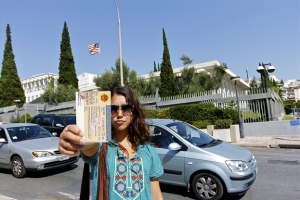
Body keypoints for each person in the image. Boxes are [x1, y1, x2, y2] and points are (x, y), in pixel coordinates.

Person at [58, 86, 164, 200]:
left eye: (126, 108)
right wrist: (71, 133)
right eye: (113, 109)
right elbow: (87, 143)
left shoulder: (148, 150)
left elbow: (156, 195)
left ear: (134, 112)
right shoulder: (101, 147)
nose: (119, 114)